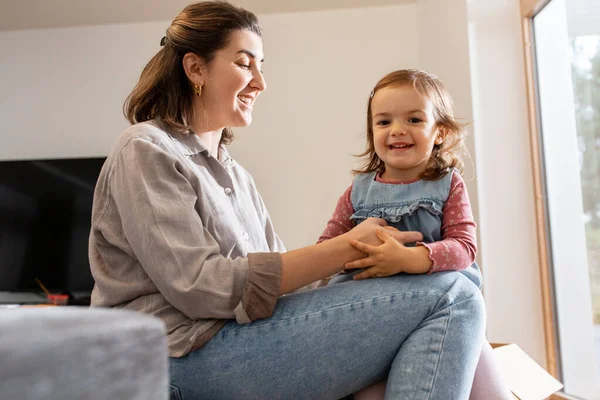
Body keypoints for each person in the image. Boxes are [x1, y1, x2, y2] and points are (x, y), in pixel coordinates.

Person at [88, 2, 485, 399]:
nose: (261, 82)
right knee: (455, 295)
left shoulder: (236, 176)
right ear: (196, 69)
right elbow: (199, 287)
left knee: (459, 311)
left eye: (262, 66)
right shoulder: (145, 149)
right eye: (245, 64)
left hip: (234, 340)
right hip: (175, 356)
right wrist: (348, 246)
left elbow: (283, 288)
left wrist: (370, 276)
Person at [318, 69, 512, 400]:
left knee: (484, 379)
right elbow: (327, 249)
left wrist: (409, 259)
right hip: (374, 317)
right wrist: (356, 254)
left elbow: (464, 247)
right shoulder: (356, 193)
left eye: (413, 119)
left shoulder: (448, 185)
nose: (397, 130)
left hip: (446, 311)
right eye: (383, 122)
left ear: (440, 132)